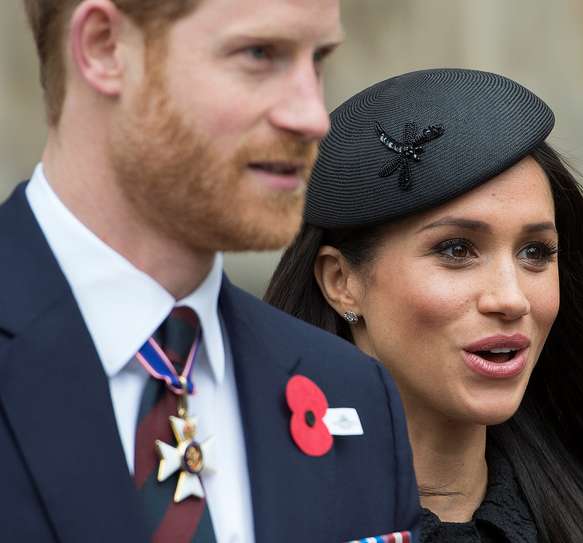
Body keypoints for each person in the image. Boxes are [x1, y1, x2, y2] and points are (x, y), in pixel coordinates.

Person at [0, 1, 421, 541]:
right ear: (104, 46)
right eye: (259, 54)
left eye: (317, 60)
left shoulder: (352, 392)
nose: (314, 115)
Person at [265, 69, 583, 542]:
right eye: (456, 250)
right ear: (341, 281)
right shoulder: (245, 514)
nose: (511, 298)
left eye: (535, 252)